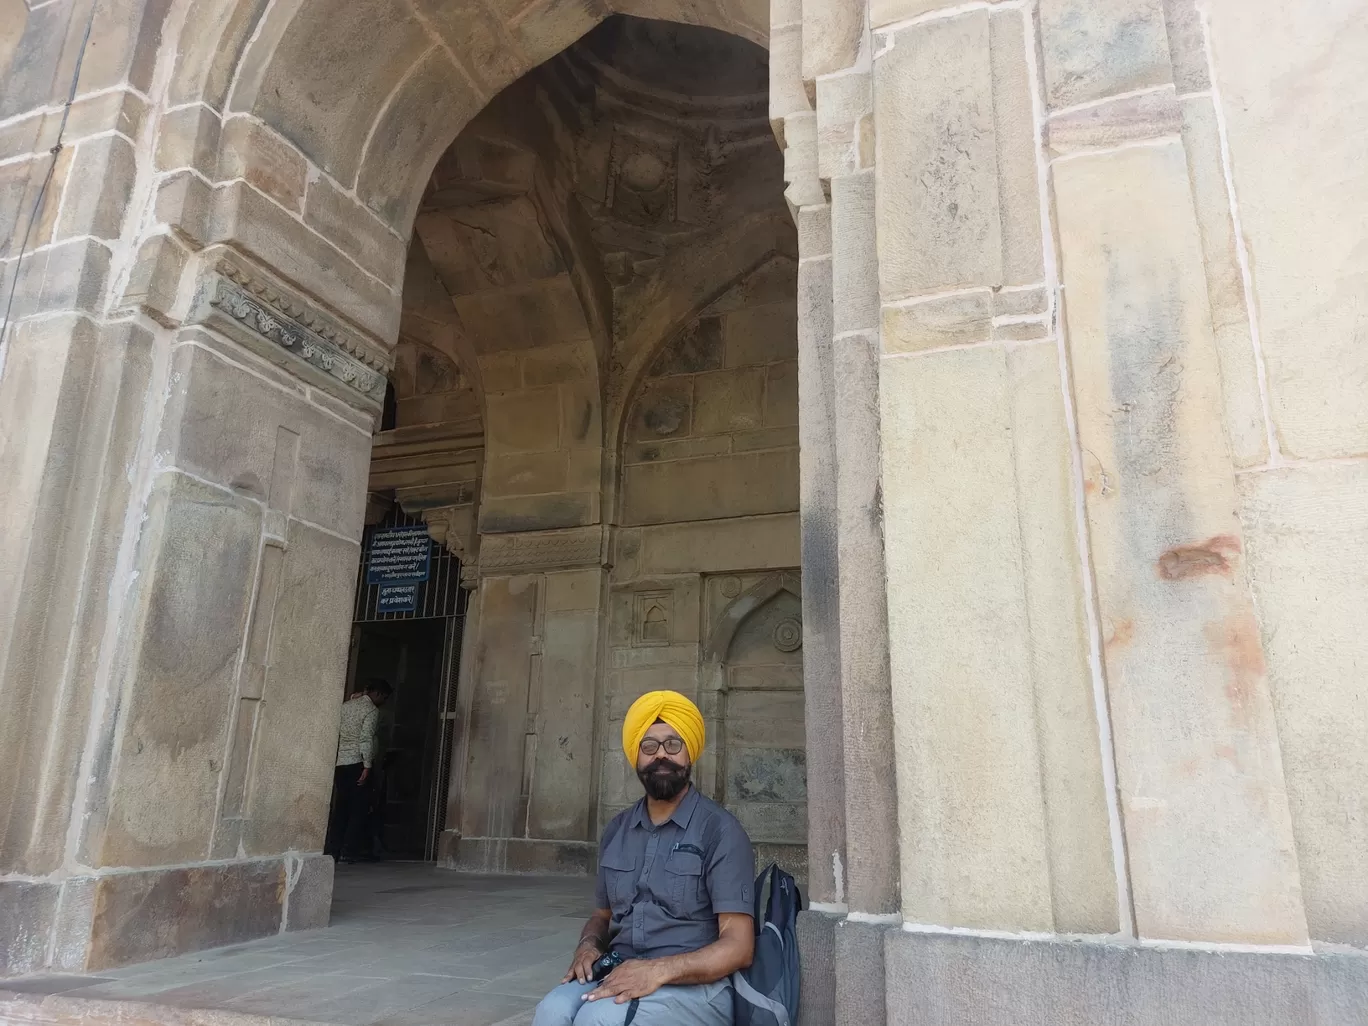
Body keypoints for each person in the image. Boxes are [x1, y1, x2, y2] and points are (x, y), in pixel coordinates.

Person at [533, 690, 755, 1026]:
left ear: (690, 753)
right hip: (621, 969)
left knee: (599, 1019)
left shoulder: (720, 831)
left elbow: (739, 947)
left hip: (696, 987)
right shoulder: (618, 830)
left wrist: (658, 970)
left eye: (673, 745)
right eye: (649, 747)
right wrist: (589, 946)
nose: (661, 756)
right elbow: (601, 917)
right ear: (635, 756)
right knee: (551, 1012)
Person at [325, 679, 391, 863]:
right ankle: (350, 849)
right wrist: (367, 765)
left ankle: (334, 849)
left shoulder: (345, 706)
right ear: (377, 694)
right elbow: (366, 738)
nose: (383, 701)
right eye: (383, 697)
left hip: (340, 762)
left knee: (341, 807)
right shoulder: (371, 711)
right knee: (359, 809)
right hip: (357, 762)